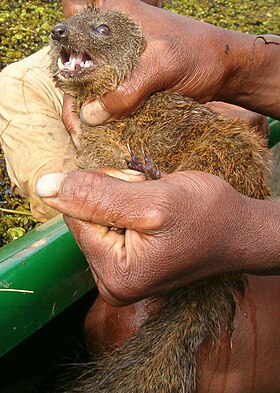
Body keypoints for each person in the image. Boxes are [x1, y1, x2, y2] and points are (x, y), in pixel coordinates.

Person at [1, 0, 280, 391]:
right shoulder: (26, 83)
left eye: (101, 30)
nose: (65, 31)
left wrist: (236, 71)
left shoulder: (166, 59)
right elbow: (52, 193)